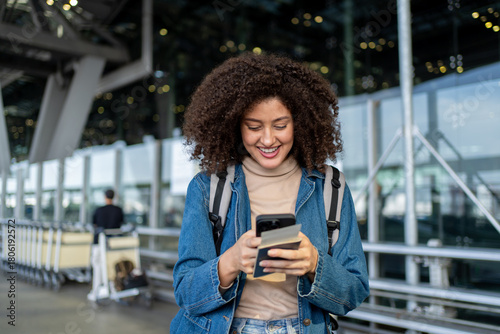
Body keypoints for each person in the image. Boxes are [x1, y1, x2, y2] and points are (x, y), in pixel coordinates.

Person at [171, 53, 369, 334]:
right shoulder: (208, 188)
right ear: (236, 125)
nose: (267, 139)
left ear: (298, 123)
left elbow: (354, 291)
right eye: (253, 127)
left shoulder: (330, 187)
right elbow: (185, 292)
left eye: (280, 125)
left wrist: (314, 263)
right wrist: (230, 261)